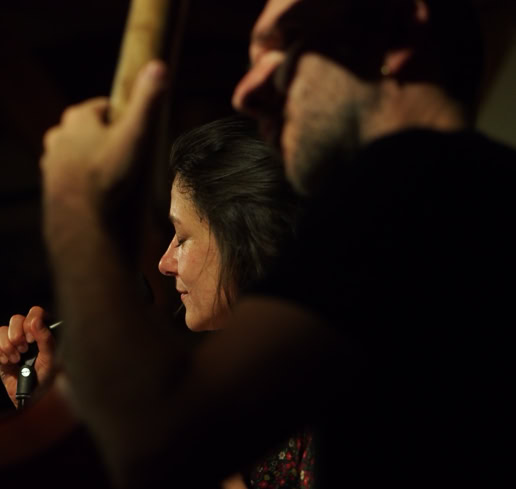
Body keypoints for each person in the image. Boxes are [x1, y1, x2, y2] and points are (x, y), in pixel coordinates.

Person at [39, 1, 516, 488]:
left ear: (394, 36)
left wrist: (73, 197)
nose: (246, 91)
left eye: (283, 44)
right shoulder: (459, 194)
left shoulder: (413, 184)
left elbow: (158, 444)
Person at [0, 117, 313, 489]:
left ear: (239, 236)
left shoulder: (323, 384)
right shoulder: (246, 390)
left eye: (182, 237)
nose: (164, 263)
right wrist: (52, 416)